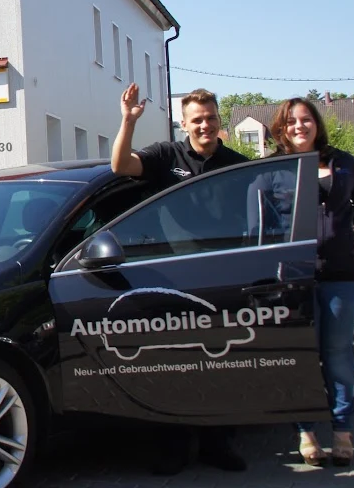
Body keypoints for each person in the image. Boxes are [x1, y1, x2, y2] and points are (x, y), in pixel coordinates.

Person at [111, 84, 249, 475]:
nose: (205, 125)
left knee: (222, 365)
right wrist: (127, 121)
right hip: (170, 280)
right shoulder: (165, 155)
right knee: (173, 367)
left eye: (211, 118)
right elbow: (120, 166)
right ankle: (173, 447)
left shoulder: (237, 164)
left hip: (222, 280)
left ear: (220, 120)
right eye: (197, 120)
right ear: (184, 123)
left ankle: (217, 445)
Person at [267, 99, 354, 467]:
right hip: (295, 277)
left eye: (307, 119)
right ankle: (306, 431)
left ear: (316, 124)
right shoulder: (275, 169)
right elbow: (258, 220)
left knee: (338, 355)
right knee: (302, 357)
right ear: (281, 128)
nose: (300, 126)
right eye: (292, 121)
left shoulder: (344, 162)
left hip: (342, 273)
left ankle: (343, 431)